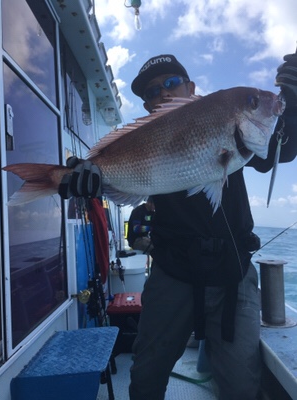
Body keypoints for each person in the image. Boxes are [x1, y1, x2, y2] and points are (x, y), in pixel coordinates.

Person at [59, 52, 297, 399]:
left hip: (232, 272)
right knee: (145, 375)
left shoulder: (222, 120)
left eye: (172, 83)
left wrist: (293, 103)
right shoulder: (147, 138)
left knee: (242, 384)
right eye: (153, 92)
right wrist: (89, 176)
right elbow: (120, 175)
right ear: (146, 105)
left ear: (191, 87)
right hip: (172, 271)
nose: (164, 94)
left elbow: (282, 149)